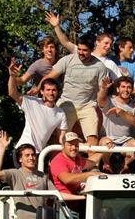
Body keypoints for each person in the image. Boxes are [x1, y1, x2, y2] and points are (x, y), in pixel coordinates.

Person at [31, 32, 108, 160]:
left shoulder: (100, 67)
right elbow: (50, 76)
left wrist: (104, 89)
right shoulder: (68, 59)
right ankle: (56, 167)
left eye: (85, 50)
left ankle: (92, 169)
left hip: (87, 105)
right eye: (80, 49)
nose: (81, 53)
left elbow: (101, 98)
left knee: (92, 137)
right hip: (66, 103)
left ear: (92, 49)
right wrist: (38, 88)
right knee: (59, 136)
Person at [0, 131, 55, 219]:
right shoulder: (15, 174)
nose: (31, 158)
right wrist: (2, 148)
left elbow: (57, 195)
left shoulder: (42, 176)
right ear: (20, 159)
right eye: (27, 155)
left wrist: (83, 197)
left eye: (33, 155)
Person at [8, 59, 67, 166]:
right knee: (25, 182)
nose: (51, 93)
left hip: (39, 154)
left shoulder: (60, 113)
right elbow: (12, 93)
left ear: (58, 92)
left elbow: (61, 137)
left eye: (54, 90)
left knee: (36, 183)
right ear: (42, 92)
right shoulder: (32, 102)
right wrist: (12, 76)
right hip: (23, 150)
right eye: (48, 90)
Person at [97, 76, 135, 173]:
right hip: (109, 139)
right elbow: (100, 99)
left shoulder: (134, 105)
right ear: (118, 89)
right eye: (123, 87)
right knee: (103, 142)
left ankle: (125, 166)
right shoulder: (110, 101)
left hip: (126, 141)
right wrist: (103, 89)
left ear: (132, 90)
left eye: (129, 87)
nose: (126, 90)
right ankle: (107, 166)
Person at [49, 132, 102, 200]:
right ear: (63, 146)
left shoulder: (77, 158)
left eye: (76, 144)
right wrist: (92, 174)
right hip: (62, 205)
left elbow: (92, 162)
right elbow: (67, 179)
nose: (74, 147)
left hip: (77, 201)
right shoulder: (58, 161)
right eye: (70, 145)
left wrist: (105, 150)